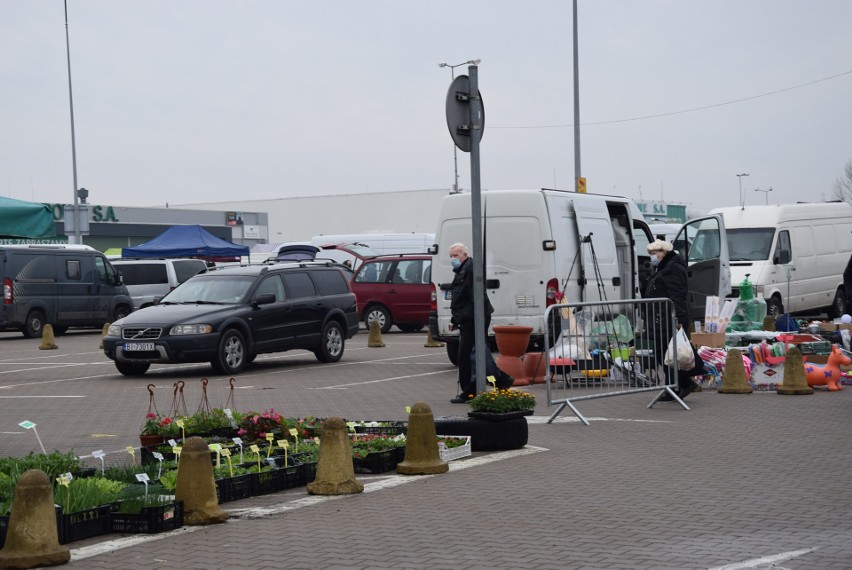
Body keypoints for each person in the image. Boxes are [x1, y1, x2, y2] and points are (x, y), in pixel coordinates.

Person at [643, 239, 699, 400]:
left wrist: (679, 317)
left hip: (668, 317)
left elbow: (677, 294)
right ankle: (673, 385)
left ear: (664, 253)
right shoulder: (665, 267)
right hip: (661, 316)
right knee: (665, 353)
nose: (652, 257)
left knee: (671, 353)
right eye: (651, 254)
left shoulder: (672, 268)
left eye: (654, 253)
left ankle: (682, 384)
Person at [448, 242, 493, 403]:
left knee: (466, 355)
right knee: (476, 354)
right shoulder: (462, 270)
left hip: (474, 318)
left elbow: (474, 298)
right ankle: (499, 381)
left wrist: (477, 319)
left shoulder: (470, 270)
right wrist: (455, 320)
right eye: (451, 256)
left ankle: (469, 392)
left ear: (465, 256)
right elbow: (461, 299)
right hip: (468, 318)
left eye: (456, 256)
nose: (453, 259)